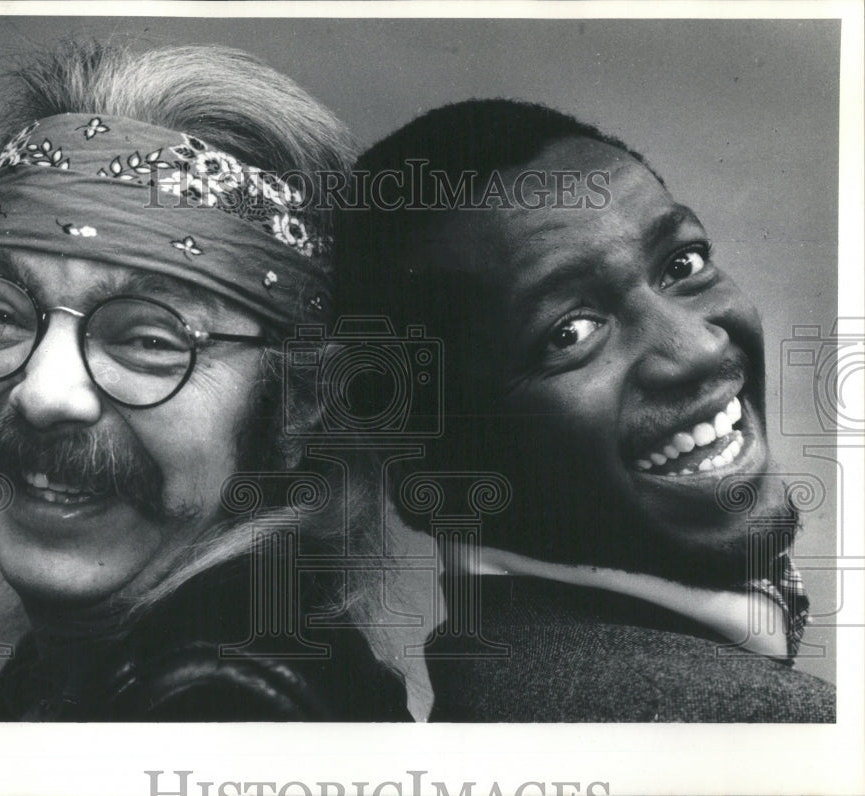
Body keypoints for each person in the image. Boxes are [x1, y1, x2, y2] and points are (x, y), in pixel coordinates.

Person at [0, 40, 416, 721]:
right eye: (0, 315)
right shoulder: (77, 680)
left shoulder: (231, 709)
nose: (43, 393)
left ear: (299, 403)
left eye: (148, 340)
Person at [336, 99, 837, 721]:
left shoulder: (501, 690)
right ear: (433, 479)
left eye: (682, 264)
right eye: (569, 332)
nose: (698, 348)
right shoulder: (766, 728)